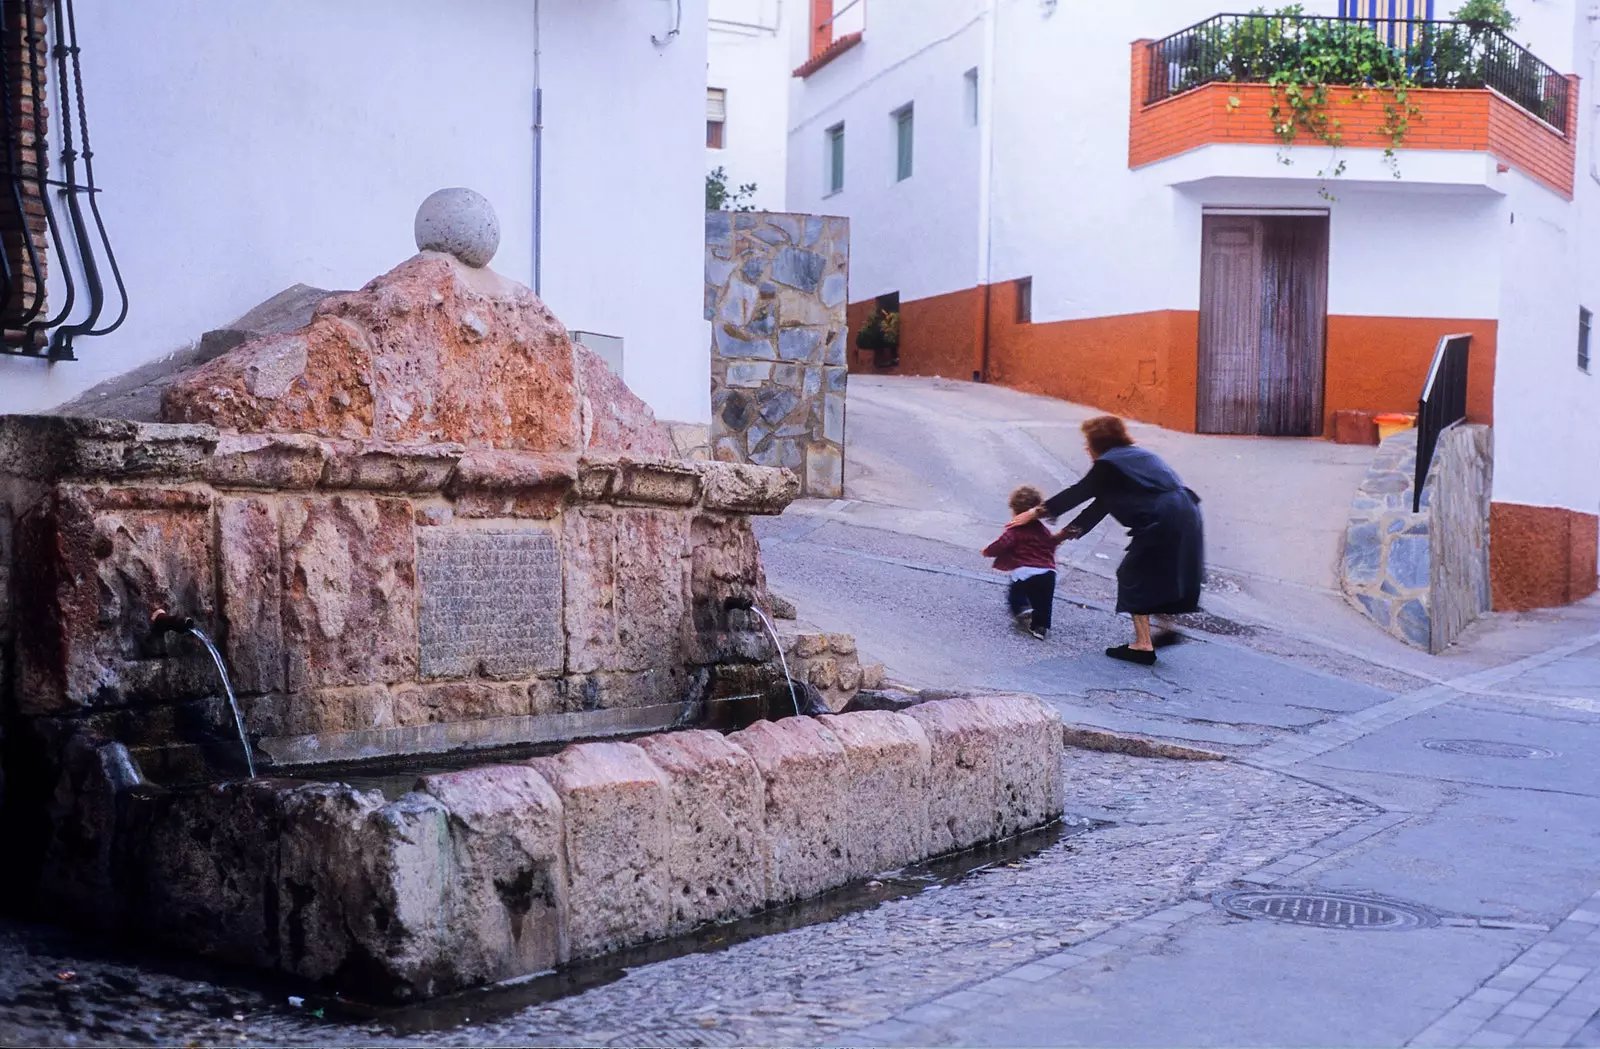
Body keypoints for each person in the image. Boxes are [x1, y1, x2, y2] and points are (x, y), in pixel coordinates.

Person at [1011, 416, 1203, 666]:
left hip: (1162, 518)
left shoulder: (1108, 465)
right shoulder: (1132, 458)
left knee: (1134, 573)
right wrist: (1060, 537)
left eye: (1087, 442)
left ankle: (1143, 646)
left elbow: (1078, 493)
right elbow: (1099, 506)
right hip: (1186, 513)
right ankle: (1166, 629)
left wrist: (1033, 512)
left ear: (1097, 444)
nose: (1085, 448)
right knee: (1159, 574)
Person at [982, 485, 1072, 641]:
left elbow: (1002, 544)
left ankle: (1024, 610)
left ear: (1015, 510)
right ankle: (1040, 627)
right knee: (1044, 601)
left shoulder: (1015, 530)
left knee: (1016, 594)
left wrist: (987, 551)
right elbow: (1051, 543)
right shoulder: (1043, 531)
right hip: (1048, 572)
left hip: (1025, 571)